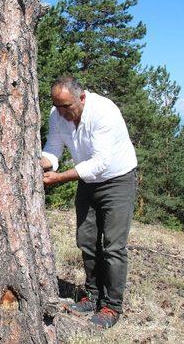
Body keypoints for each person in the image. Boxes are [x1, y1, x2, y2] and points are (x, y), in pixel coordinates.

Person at [40, 76, 137, 329]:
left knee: (113, 246)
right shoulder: (57, 114)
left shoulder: (104, 112)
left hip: (117, 180)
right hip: (87, 181)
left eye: (67, 107)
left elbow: (101, 162)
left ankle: (111, 306)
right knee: (86, 240)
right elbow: (53, 147)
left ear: (81, 97)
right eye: (57, 106)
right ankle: (92, 296)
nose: (62, 112)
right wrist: (39, 164)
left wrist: (60, 177)